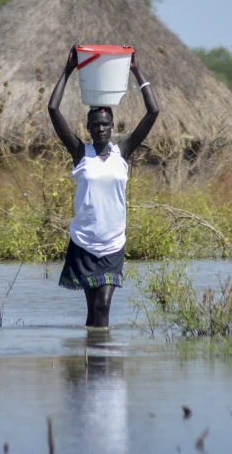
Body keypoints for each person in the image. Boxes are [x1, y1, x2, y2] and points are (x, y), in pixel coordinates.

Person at [48, 45, 160, 328]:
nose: (100, 129)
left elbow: (153, 111)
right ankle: (93, 361)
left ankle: (104, 368)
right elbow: (52, 109)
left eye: (105, 125)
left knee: (104, 303)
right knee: (91, 311)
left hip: (112, 243)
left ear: (112, 127)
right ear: (88, 127)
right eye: (95, 125)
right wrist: (68, 69)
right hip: (85, 241)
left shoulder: (123, 153)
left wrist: (136, 70)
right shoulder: (80, 153)